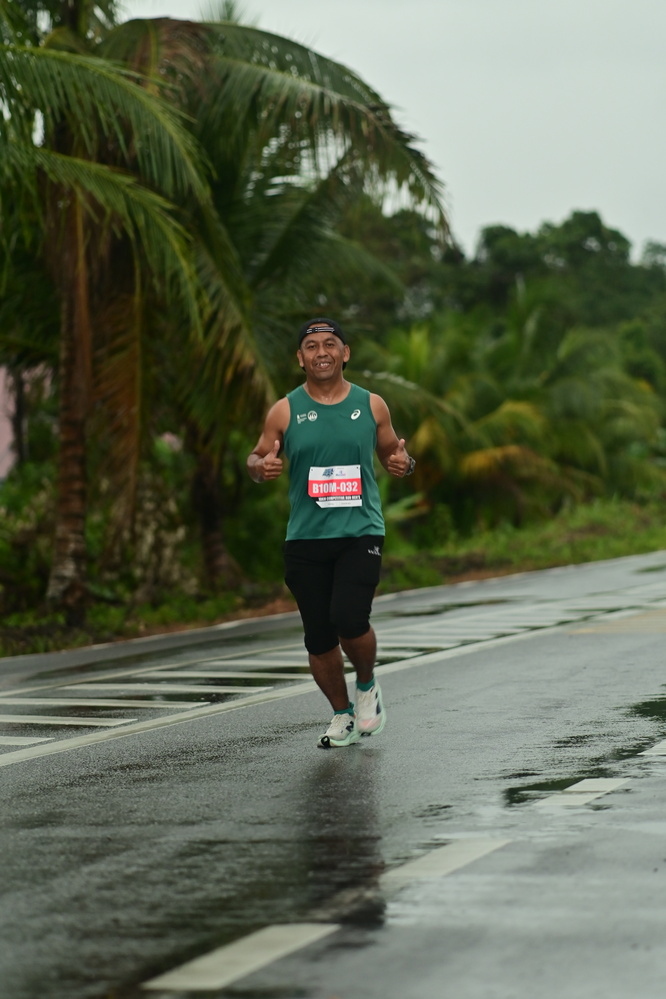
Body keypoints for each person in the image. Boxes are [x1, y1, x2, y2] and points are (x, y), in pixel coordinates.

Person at [247, 318, 415, 748]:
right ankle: (342, 715)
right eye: (311, 346)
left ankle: (366, 686)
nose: (321, 352)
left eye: (330, 344)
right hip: (305, 538)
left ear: (345, 353)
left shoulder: (371, 404)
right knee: (319, 635)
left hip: (360, 532)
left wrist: (404, 463)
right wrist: (261, 467)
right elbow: (256, 457)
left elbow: (394, 453)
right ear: (300, 358)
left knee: (349, 618)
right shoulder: (284, 410)